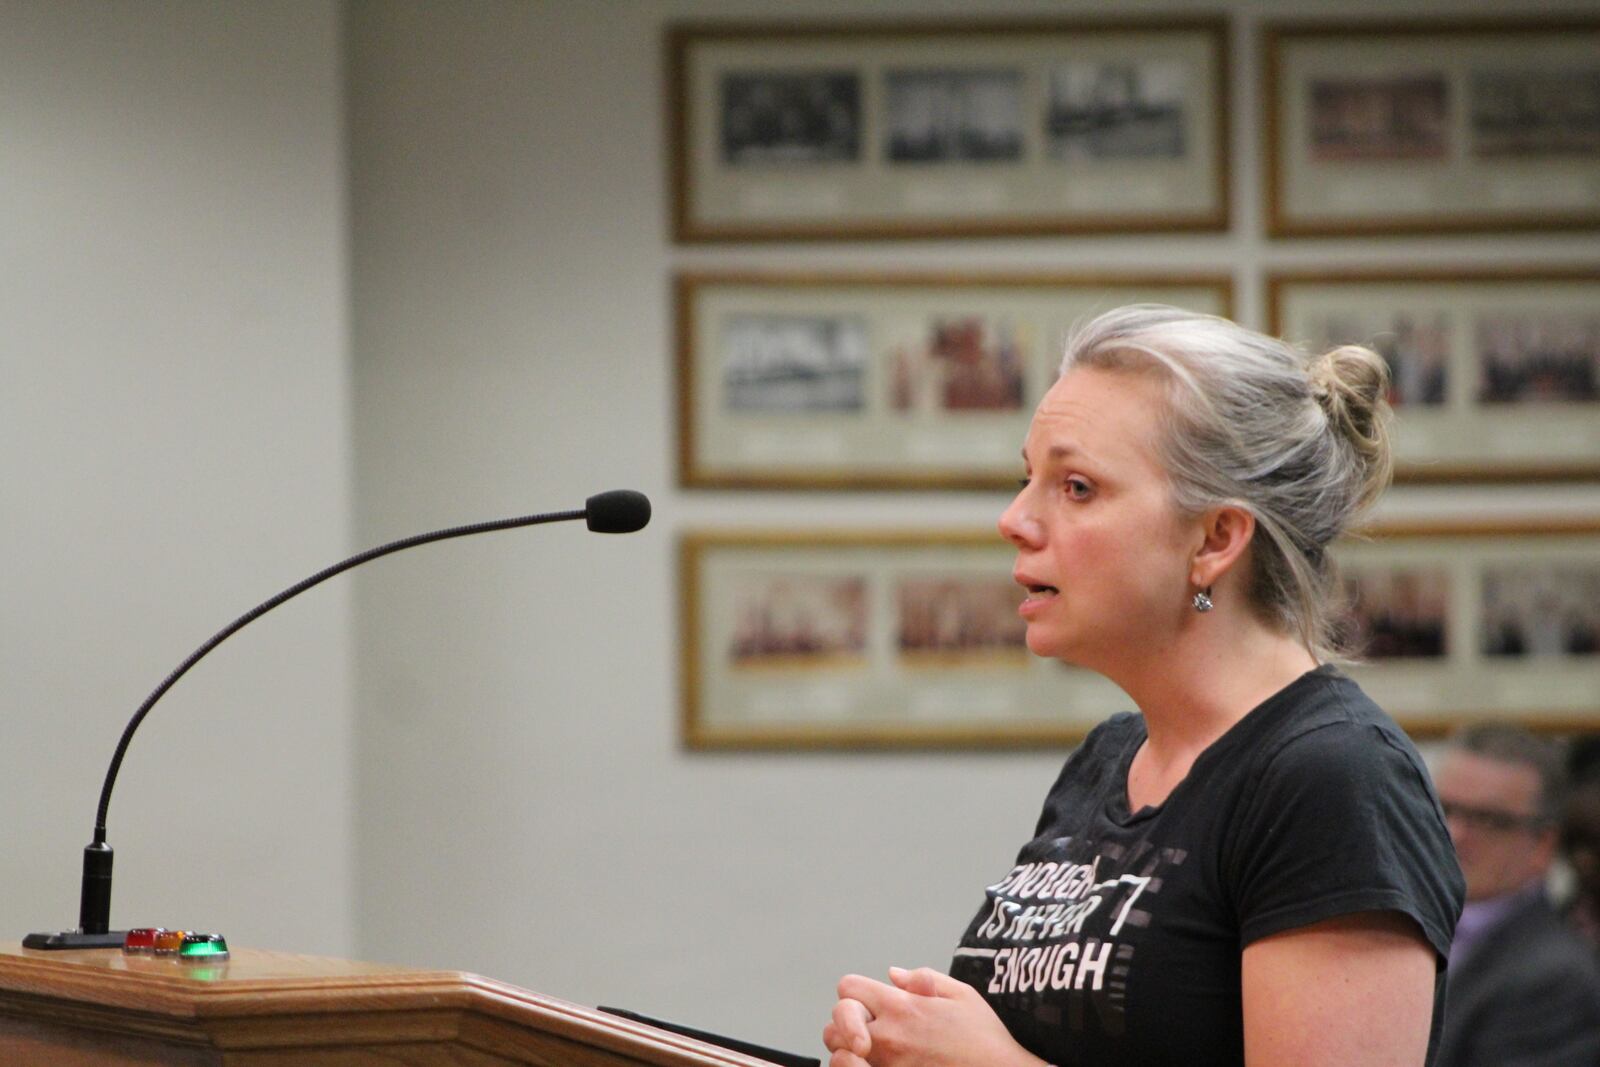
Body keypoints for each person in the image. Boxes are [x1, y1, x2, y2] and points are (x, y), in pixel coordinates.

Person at [823, 306, 1464, 1066]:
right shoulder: (1108, 757)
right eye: (1027, 478)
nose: (1014, 520)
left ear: (1215, 539)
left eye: (1079, 486)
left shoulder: (1334, 779)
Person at [1431, 725, 1600, 1067]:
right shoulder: (1401, 923)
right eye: (1443, 809)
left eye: (1486, 819)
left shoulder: (1555, 980)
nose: (1455, 833)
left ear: (1543, 845)